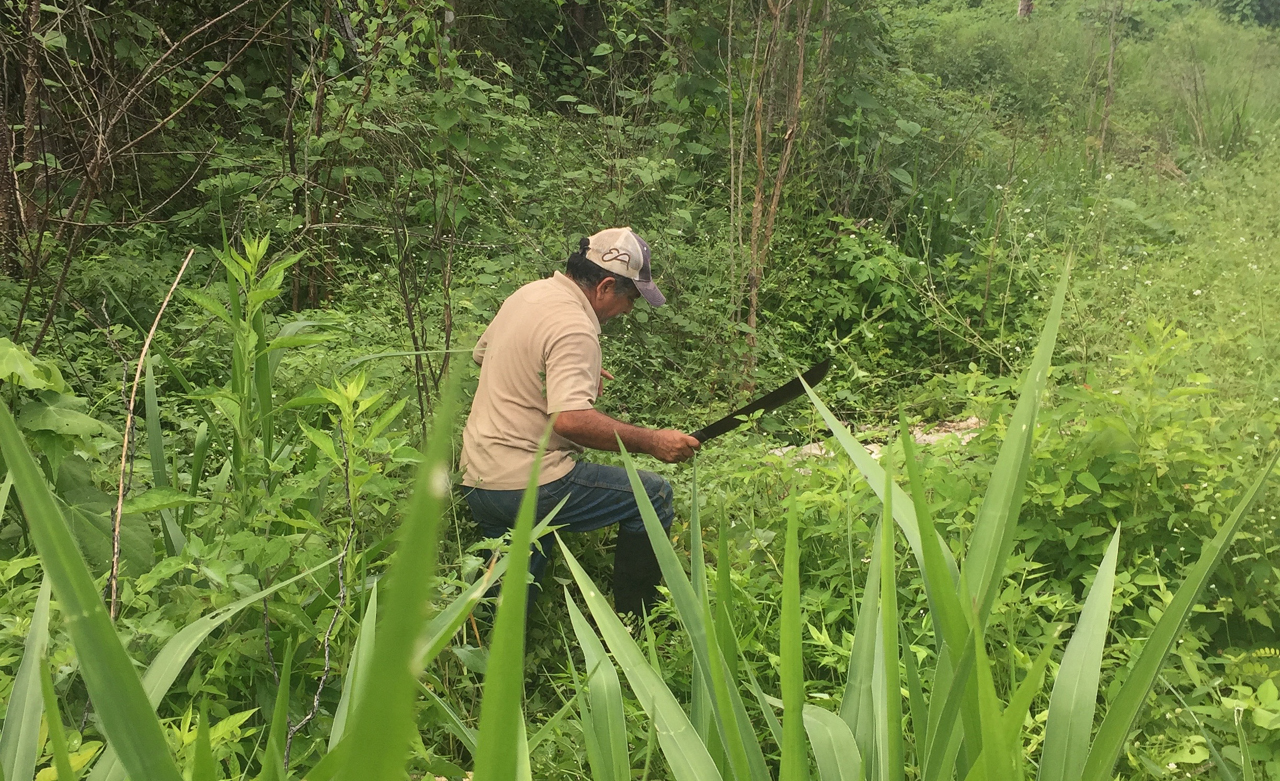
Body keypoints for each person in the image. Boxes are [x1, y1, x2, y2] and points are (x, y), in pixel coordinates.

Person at [459, 227, 700, 617]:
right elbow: (570, 421)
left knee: (510, 592)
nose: (629, 310)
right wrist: (652, 441)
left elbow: (483, 354)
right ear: (606, 286)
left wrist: (560, 373)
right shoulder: (575, 325)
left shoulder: (530, 294)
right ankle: (638, 625)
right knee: (653, 497)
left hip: (479, 476)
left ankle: (487, 659)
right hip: (528, 482)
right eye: (631, 298)